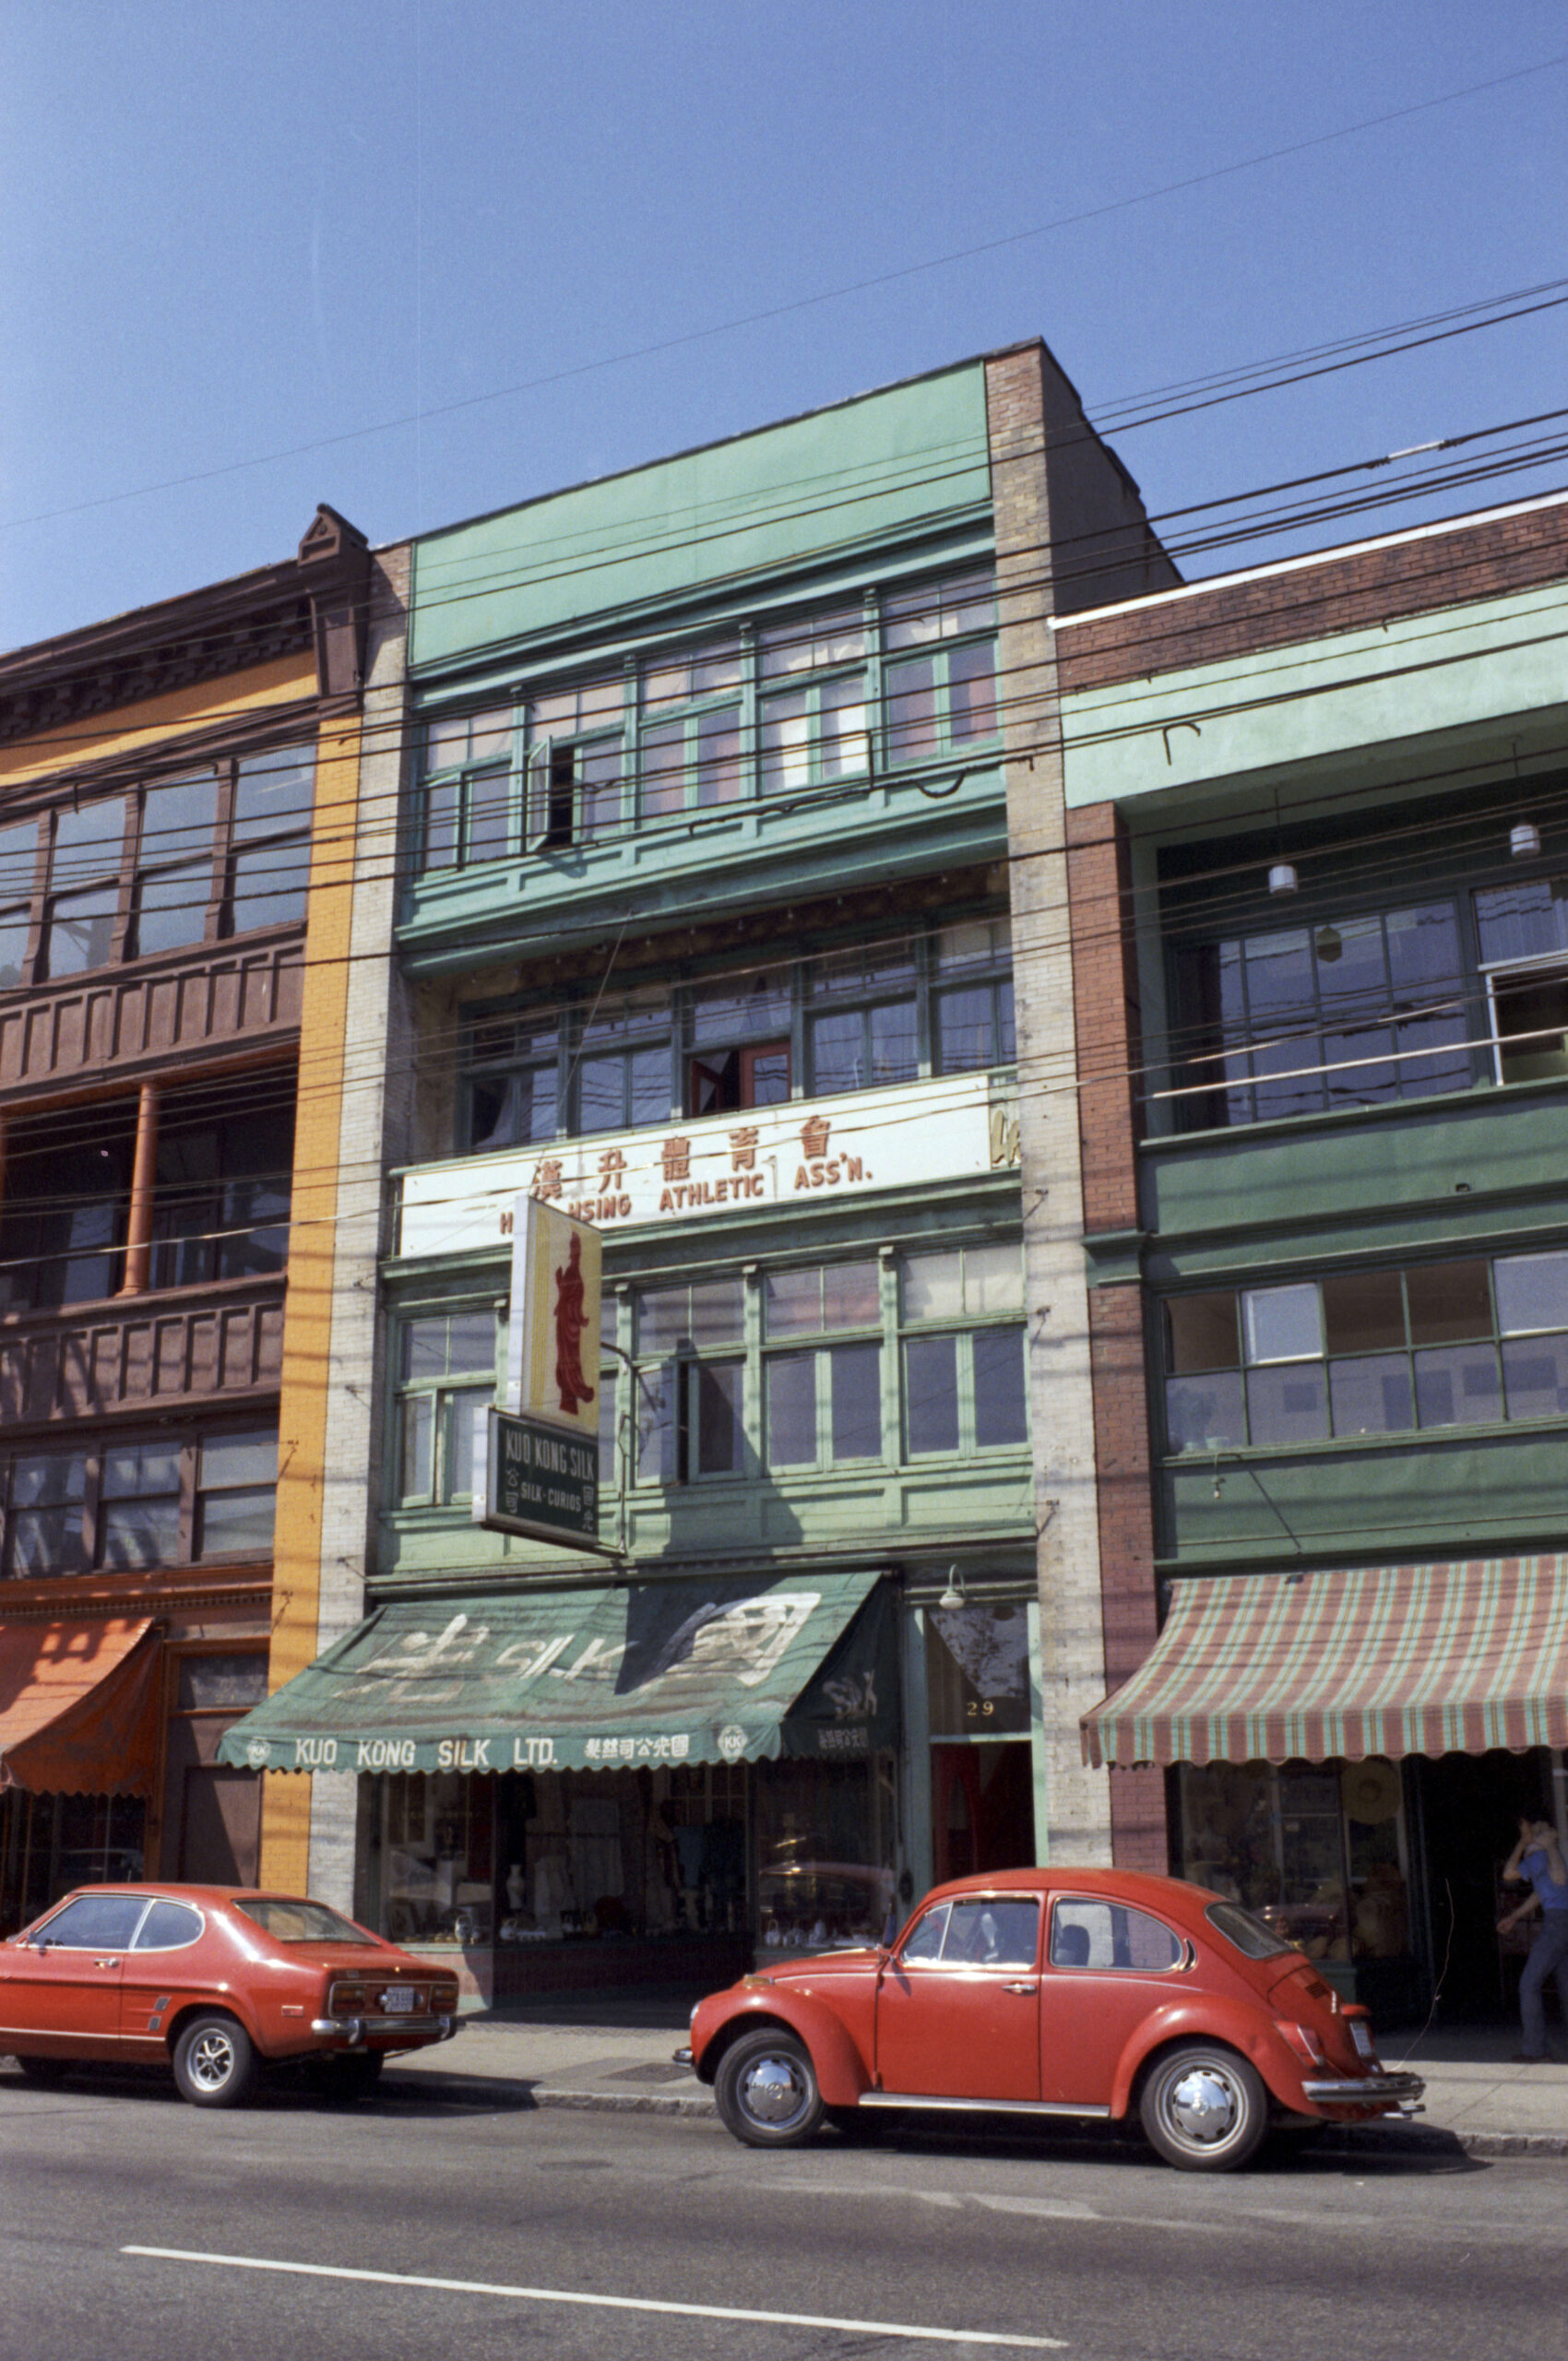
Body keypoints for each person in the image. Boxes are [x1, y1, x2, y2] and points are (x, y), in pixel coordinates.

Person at [1498, 1815, 1568, 2062]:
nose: (1527, 1835)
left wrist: (1525, 1845)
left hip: (1558, 1923)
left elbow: (1508, 1873)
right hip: (1560, 1921)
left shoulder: (1542, 1855)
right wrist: (1515, 1916)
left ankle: (1535, 2051)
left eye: (1531, 1830)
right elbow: (1543, 1892)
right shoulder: (1547, 1857)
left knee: (1529, 1984)